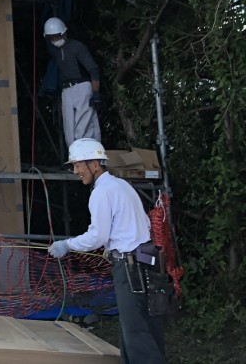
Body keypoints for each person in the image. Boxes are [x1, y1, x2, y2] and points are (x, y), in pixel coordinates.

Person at [49, 139, 166, 363]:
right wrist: (114, 245)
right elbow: (141, 224)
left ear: (94, 164)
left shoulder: (102, 192)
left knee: (135, 330)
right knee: (145, 324)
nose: (76, 171)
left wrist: (67, 245)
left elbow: (97, 236)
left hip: (129, 267)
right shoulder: (121, 185)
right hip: (145, 261)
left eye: (78, 165)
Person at [40, 17, 102, 148]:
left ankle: (88, 156)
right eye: (51, 38)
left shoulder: (77, 46)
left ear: (64, 33)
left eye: (56, 36)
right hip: (66, 90)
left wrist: (95, 93)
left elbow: (93, 69)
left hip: (82, 87)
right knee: (69, 132)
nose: (54, 40)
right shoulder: (54, 50)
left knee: (83, 128)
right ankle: (76, 157)